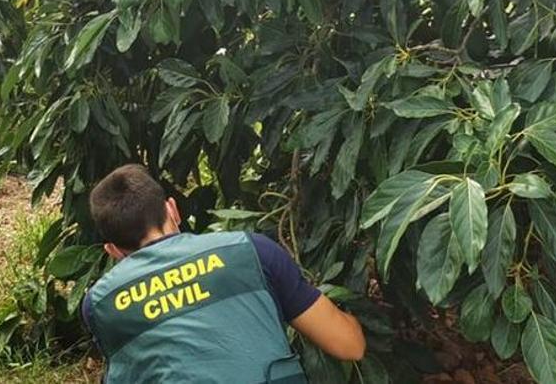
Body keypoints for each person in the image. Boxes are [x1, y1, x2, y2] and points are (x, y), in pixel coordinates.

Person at [81, 164, 366, 383]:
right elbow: (349, 346)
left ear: (113, 251)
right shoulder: (252, 251)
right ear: (173, 209)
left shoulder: (100, 304)